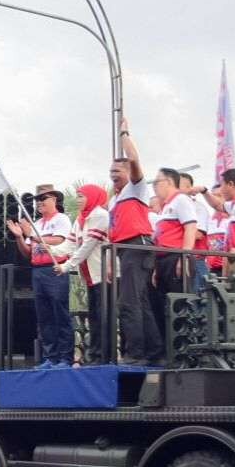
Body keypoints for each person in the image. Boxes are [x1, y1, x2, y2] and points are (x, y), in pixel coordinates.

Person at [109, 116, 163, 365]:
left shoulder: (137, 188)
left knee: (129, 302)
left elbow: (133, 158)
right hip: (125, 249)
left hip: (136, 246)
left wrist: (124, 133)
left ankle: (135, 353)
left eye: (117, 171)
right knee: (139, 301)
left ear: (128, 172)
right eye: (110, 171)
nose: (112, 175)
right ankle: (153, 351)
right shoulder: (116, 200)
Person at [9, 184, 73, 368]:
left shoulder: (61, 219)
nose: (39, 203)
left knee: (60, 313)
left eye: (43, 199)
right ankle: (50, 357)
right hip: (38, 271)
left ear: (54, 199)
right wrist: (20, 237)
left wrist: (33, 236)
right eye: (37, 200)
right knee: (44, 317)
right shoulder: (36, 224)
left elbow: (60, 240)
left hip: (55, 269)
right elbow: (28, 252)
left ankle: (65, 358)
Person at [57, 184, 111, 364]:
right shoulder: (80, 219)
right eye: (77, 196)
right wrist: (47, 248)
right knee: (94, 316)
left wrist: (67, 265)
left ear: (92, 197)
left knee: (104, 315)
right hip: (90, 277)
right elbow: (70, 245)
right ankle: (95, 354)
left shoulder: (100, 216)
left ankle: (104, 355)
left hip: (104, 274)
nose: (78, 199)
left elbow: (87, 246)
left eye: (82, 196)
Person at [151, 167, 200, 335]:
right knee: (163, 304)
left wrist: (184, 256)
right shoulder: (165, 207)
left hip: (176, 256)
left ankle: (183, 349)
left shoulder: (181, 200)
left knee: (179, 305)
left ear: (169, 182)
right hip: (163, 258)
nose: (155, 186)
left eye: (157, 182)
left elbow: (190, 227)